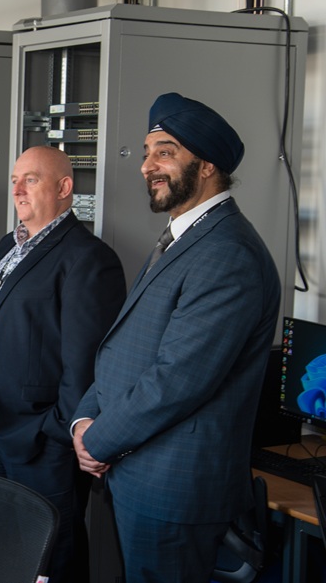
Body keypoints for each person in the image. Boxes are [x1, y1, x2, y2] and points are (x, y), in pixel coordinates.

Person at [72, 92, 281, 583]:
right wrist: (85, 417)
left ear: (206, 165)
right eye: (147, 153)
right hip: (136, 473)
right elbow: (125, 347)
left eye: (164, 152)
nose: (148, 166)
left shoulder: (229, 253)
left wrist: (97, 439)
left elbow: (179, 379)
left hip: (174, 489)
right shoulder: (182, 238)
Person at [0, 146, 126, 583]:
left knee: (49, 552)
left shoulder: (87, 257)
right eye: (15, 179)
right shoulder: (6, 246)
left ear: (64, 188)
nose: (16, 188)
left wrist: (57, 431)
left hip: (37, 434)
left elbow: (86, 362)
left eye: (30, 179)